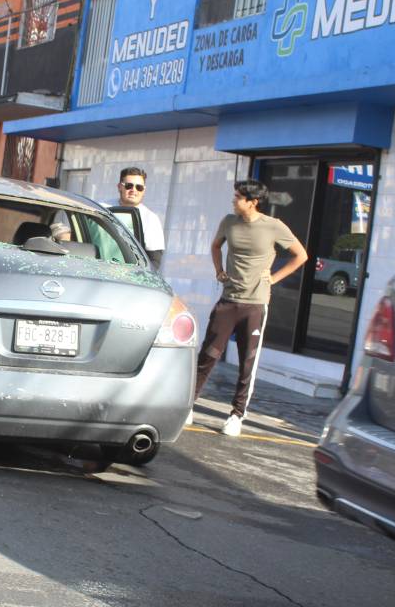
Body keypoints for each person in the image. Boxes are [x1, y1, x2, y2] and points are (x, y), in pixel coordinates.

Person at [193, 179, 308, 437]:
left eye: (238, 197)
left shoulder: (274, 226)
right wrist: (219, 270)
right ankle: (189, 403)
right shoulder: (228, 221)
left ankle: (236, 415)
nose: (234, 200)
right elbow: (215, 246)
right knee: (208, 355)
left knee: (247, 362)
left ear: (252, 202)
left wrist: (274, 279)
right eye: (234, 196)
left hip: (255, 304)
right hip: (228, 300)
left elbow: (301, 255)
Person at [114, 167, 165, 270]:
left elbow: (154, 261)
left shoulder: (151, 219)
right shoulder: (101, 208)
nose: (134, 190)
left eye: (139, 187)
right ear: (119, 186)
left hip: (127, 279)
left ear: (144, 190)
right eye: (129, 186)